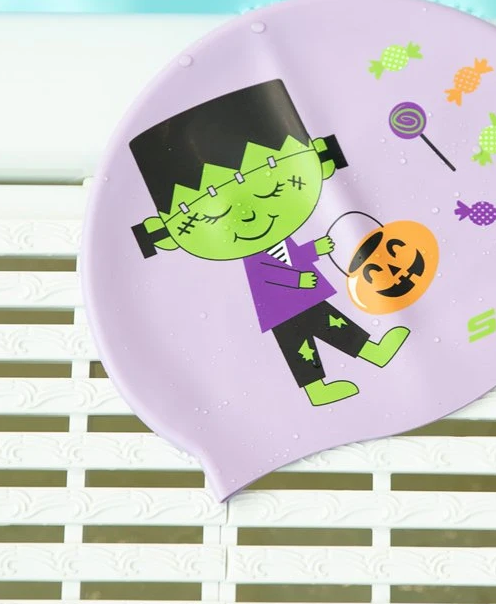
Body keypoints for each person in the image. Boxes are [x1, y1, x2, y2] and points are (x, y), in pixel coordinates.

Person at [129, 78, 409, 406]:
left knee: (329, 328)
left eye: (274, 189)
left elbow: (290, 255)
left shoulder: (277, 242)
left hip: (300, 300)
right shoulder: (252, 255)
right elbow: (268, 273)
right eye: (216, 215)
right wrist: (298, 279)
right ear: (168, 234)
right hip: (282, 308)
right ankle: (325, 384)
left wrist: (314, 251)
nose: (249, 216)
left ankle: (369, 355)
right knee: (301, 346)